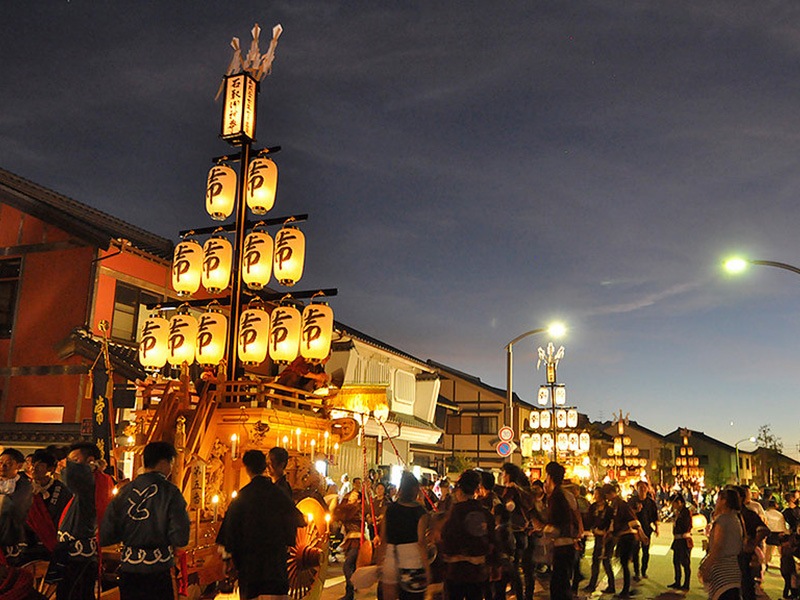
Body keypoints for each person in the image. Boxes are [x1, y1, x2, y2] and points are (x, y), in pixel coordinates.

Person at [100, 441, 191, 600]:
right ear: (165, 462)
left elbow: (106, 534)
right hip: (158, 569)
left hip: (129, 568)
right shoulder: (171, 492)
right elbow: (180, 536)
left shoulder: (125, 490)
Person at [217, 450, 305, 600]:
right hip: (275, 563)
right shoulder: (279, 493)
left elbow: (229, 530)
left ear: (247, 468)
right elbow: (298, 519)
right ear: (265, 466)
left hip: (250, 566)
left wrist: (228, 560)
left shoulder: (242, 497)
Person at [56, 442, 106, 600]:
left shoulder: (92, 482)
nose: (67, 465)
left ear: (90, 461)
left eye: (74, 460)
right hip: (72, 551)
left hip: (78, 554)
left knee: (75, 594)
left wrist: (89, 467)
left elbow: (70, 475)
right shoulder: (89, 482)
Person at [441, 470, 494, 600]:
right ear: (477, 489)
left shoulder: (455, 513)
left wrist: (458, 557)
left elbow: (446, 539)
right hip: (478, 573)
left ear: (459, 490)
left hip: (456, 572)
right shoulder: (485, 513)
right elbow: (492, 541)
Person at [381, 472, 430, 600]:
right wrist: (427, 568)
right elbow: (421, 542)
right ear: (415, 489)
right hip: (412, 560)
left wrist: (379, 560)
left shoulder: (389, 509)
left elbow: (383, 538)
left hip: (391, 558)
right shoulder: (421, 512)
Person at [27, 449, 72, 560]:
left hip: (53, 544)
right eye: (33, 464)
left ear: (51, 469)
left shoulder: (63, 491)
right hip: (28, 546)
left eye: (40, 465)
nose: (34, 468)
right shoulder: (24, 489)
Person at [699, 488, 743, 600]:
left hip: (722, 572)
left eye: (718, 499)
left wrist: (706, 566)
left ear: (724, 501)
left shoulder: (723, 520)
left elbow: (718, 546)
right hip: (734, 569)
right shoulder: (736, 519)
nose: (716, 502)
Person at [543, 462, 577, 600]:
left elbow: (555, 523)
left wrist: (544, 530)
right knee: (561, 585)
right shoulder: (561, 494)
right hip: (566, 546)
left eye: (546, 476)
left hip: (562, 547)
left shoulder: (556, 496)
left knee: (558, 587)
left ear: (550, 477)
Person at [0, 448, 33, 564]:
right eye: (0, 462)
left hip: (12, 537)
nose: (3, 466)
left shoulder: (24, 485)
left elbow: (15, 506)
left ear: (18, 466)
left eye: (8, 463)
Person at [608, 484, 638, 597]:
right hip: (622, 537)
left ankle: (626, 590)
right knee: (623, 563)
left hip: (627, 537)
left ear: (611, 493)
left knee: (624, 564)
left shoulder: (621, 505)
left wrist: (641, 534)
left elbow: (632, 520)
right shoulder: (615, 505)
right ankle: (626, 589)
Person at [583, 485, 614, 594]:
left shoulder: (609, 509)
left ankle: (611, 585)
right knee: (595, 561)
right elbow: (588, 520)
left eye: (597, 494)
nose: (595, 496)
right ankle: (592, 584)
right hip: (597, 537)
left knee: (606, 561)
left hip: (607, 538)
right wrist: (592, 529)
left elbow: (611, 523)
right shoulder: (593, 507)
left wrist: (606, 532)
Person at [334, 490, 363, 600]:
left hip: (356, 539)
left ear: (359, 499)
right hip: (350, 539)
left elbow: (340, 513)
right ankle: (350, 592)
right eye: (351, 495)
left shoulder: (355, 509)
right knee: (352, 566)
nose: (351, 497)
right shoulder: (350, 508)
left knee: (347, 565)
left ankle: (350, 591)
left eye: (354, 496)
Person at [633, 481, 658, 579]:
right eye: (640, 487)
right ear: (637, 489)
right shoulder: (632, 500)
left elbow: (655, 516)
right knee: (635, 551)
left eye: (644, 487)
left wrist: (657, 528)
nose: (642, 489)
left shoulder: (650, 502)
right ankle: (636, 572)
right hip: (635, 530)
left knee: (645, 551)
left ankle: (643, 570)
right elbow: (628, 513)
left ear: (647, 489)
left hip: (647, 529)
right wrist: (636, 511)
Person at [667, 492, 692, 591]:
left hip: (684, 540)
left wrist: (677, 518)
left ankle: (686, 584)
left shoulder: (686, 512)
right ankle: (677, 581)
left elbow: (684, 526)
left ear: (679, 502)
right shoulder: (679, 512)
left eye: (674, 503)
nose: (673, 506)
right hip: (677, 540)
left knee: (685, 563)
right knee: (676, 561)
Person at [765, 498, 787, 569]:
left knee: (768, 550)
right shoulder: (779, 514)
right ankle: (782, 563)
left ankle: (766, 563)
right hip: (778, 533)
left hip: (769, 532)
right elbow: (782, 525)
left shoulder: (765, 513)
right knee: (781, 551)